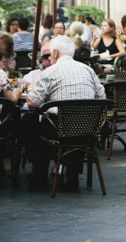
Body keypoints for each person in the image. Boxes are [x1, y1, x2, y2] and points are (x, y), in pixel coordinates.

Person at [17, 35, 106, 188]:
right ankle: (72, 177)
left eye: (50, 54)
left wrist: (32, 90)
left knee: (31, 123)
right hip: (88, 130)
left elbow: (32, 103)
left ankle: (39, 177)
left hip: (59, 130)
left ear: (55, 53)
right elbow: (102, 98)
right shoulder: (88, 70)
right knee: (75, 123)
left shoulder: (50, 71)